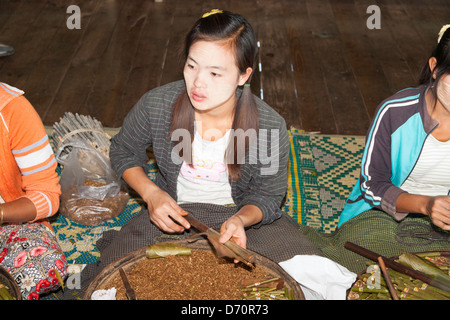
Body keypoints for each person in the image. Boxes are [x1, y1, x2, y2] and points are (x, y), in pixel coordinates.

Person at [338, 24, 450, 230]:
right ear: (435, 68)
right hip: (382, 215)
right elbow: (372, 185)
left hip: (444, 225)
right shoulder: (395, 112)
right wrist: (427, 205)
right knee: (367, 256)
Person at [0, 82, 67, 299]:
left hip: (9, 222)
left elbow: (47, 195)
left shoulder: (12, 110)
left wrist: (1, 213)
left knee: (44, 266)